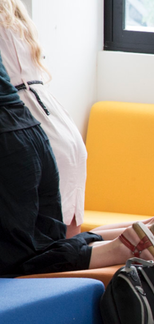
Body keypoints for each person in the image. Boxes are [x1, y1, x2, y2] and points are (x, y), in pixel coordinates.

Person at [0, 51, 154, 289]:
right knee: (49, 243)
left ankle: (122, 247)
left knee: (14, 262)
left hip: (9, 139)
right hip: (33, 127)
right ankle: (141, 231)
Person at [0, 0, 87, 238]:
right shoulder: (14, 16)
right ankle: (151, 226)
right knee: (70, 242)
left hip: (26, 125)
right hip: (60, 125)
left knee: (50, 247)